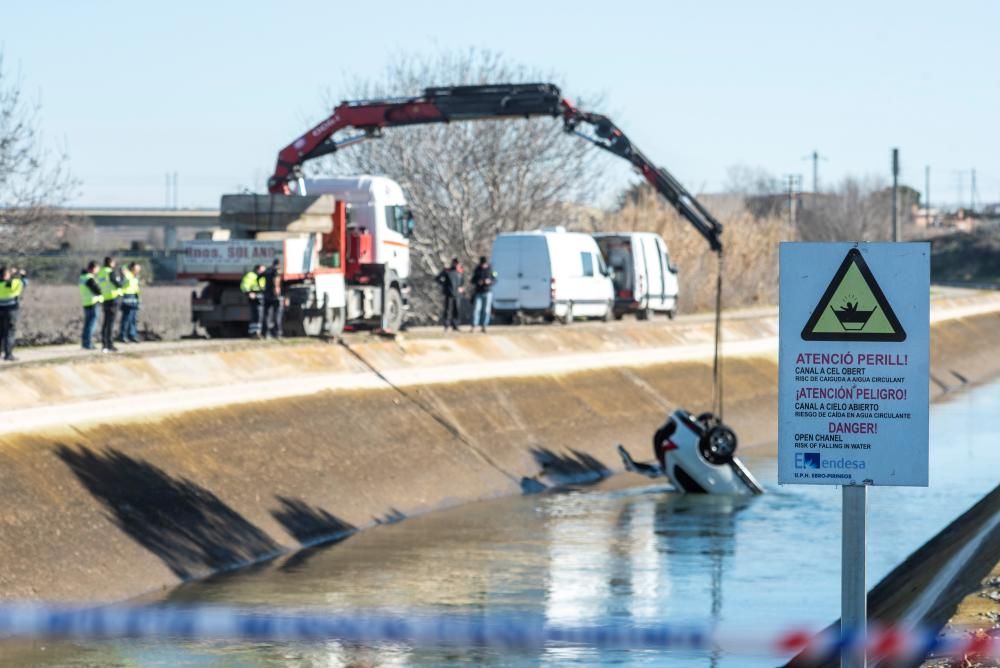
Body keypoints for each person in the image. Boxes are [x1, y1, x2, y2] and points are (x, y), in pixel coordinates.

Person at [96, 256, 123, 353]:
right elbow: (119, 284)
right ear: (111, 263)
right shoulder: (111, 272)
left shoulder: (101, 272)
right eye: (114, 262)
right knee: (110, 323)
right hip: (112, 298)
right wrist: (122, 276)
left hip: (105, 298)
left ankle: (104, 344)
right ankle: (109, 344)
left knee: (105, 322)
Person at [0, 266, 27, 362]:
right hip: (11, 310)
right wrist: (21, 274)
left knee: (1, 332)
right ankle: (8, 354)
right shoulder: (12, 283)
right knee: (10, 332)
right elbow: (24, 283)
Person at [79, 262, 103, 350]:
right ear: (93, 268)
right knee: (91, 325)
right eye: (97, 268)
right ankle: (88, 343)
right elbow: (97, 290)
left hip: (86, 302)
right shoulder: (89, 278)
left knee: (87, 324)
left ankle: (85, 343)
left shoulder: (82, 277)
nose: (97, 271)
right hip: (93, 302)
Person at [436, 257, 464, 331]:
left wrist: (461, 288)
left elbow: (462, 282)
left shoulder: (460, 271)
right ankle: (446, 325)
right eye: (456, 263)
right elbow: (438, 278)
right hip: (448, 293)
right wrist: (444, 284)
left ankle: (455, 325)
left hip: (457, 294)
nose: (457, 265)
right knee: (447, 310)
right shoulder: (447, 271)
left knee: (456, 310)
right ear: (453, 263)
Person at [470, 256, 496, 333]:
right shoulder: (477, 270)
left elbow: (495, 279)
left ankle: (484, 326)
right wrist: (478, 282)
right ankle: (474, 325)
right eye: (482, 264)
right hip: (478, 292)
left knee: (486, 310)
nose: (483, 265)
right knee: (476, 309)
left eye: (484, 264)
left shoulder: (490, 270)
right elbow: (472, 280)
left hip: (488, 292)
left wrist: (489, 281)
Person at [117, 262, 142, 343]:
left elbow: (135, 288)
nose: (138, 270)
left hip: (134, 298)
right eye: (137, 268)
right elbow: (122, 269)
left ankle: (132, 335)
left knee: (133, 319)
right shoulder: (127, 275)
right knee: (126, 318)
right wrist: (123, 270)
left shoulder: (134, 277)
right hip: (127, 298)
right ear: (132, 268)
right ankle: (123, 335)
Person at [240, 264, 266, 338]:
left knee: (260, 315)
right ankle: (254, 333)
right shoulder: (251, 275)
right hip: (254, 297)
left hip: (261, 296)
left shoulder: (263, 277)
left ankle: (258, 332)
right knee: (256, 315)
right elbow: (244, 286)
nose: (264, 271)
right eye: (262, 270)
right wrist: (249, 293)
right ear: (257, 269)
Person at [262, 259, 285, 339]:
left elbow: (259, 277)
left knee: (267, 315)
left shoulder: (267, 270)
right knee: (277, 315)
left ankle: (266, 333)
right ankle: (278, 333)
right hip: (274, 296)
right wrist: (277, 290)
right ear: (278, 264)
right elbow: (276, 280)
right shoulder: (276, 271)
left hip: (266, 295)